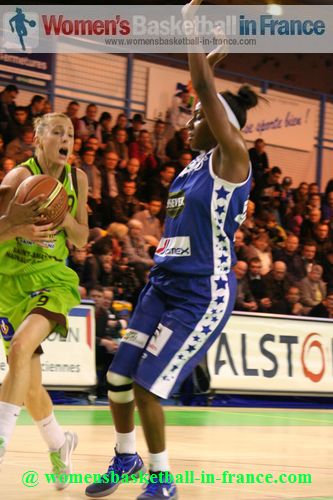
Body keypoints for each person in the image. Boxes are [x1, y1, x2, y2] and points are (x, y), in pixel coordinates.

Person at [85, 5, 258, 498]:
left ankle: (162, 481)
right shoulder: (189, 168)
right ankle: (125, 458)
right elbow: (205, 90)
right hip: (162, 285)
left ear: (223, 125)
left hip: (200, 294)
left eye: (199, 116)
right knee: (118, 380)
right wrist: (218, 52)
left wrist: (190, 25)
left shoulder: (232, 160)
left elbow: (204, 90)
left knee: (146, 388)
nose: (189, 121)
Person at [0, 113, 89, 488]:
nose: (66, 138)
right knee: (31, 386)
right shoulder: (18, 178)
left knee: (20, 348)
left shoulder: (77, 178)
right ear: (38, 139)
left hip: (52, 279)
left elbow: (82, 238)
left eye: (69, 133)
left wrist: (65, 218)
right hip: (9, 283)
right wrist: (17, 225)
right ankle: (59, 442)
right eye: (57, 132)